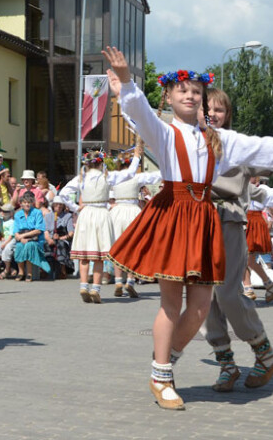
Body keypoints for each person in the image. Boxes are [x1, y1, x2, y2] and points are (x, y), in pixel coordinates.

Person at [103, 46, 273, 410]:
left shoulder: (217, 139)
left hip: (204, 219)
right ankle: (161, 376)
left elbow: (260, 148)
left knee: (199, 309)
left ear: (202, 99)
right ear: (169, 96)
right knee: (170, 303)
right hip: (175, 214)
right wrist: (129, 83)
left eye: (196, 91)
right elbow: (139, 113)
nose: (191, 95)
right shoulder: (165, 134)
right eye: (183, 90)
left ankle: (164, 364)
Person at [199, 88, 273, 392]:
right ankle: (226, 364)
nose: (212, 115)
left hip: (228, 219)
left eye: (219, 110)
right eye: (208, 109)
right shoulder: (191, 144)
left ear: (227, 115)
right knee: (202, 299)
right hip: (195, 223)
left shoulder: (240, 147)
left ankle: (264, 353)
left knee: (228, 293)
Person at [58, 146, 141, 303]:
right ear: (101, 163)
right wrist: (136, 157)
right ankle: (95, 288)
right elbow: (129, 174)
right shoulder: (107, 177)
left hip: (86, 213)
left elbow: (62, 193)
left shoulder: (81, 178)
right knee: (98, 256)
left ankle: (83, 286)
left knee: (83, 254)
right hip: (101, 213)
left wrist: (76, 207)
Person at [109, 146, 161, 297]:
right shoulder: (136, 178)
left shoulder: (114, 178)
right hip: (132, 210)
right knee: (133, 247)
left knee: (117, 247)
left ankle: (118, 280)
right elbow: (154, 177)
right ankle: (130, 281)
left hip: (117, 211)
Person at [242, 176, 273, 300]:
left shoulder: (264, 189)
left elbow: (271, 206)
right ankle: (266, 284)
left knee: (246, 256)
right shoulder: (241, 186)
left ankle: (248, 286)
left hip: (256, 221)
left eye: (253, 175)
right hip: (244, 219)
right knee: (246, 256)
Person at [13, 191, 50, 281]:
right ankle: (21, 272)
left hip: (36, 239)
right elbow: (16, 231)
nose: (27, 204)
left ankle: (29, 273)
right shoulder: (18, 214)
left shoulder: (37, 213)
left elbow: (38, 230)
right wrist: (20, 238)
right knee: (19, 246)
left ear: (32, 203)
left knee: (29, 245)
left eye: (29, 202)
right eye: (25, 202)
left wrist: (24, 236)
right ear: (21, 204)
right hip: (22, 238)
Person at [44, 196, 75, 279]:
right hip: (50, 237)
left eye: (60, 205)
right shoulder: (48, 216)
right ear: (53, 205)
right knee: (46, 244)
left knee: (61, 244)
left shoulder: (68, 216)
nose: (58, 206)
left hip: (62, 238)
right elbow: (46, 231)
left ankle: (62, 268)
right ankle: (46, 269)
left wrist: (61, 238)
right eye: (56, 205)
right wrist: (49, 239)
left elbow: (71, 233)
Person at [0, 203, 16, 280]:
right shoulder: (1, 221)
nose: (3, 212)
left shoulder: (12, 222)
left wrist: (5, 243)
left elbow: (11, 235)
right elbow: (1, 232)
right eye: (2, 211)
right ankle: (9, 268)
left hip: (11, 239)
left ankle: (6, 270)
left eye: (6, 211)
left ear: (11, 213)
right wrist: (2, 238)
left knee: (7, 249)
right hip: (5, 239)